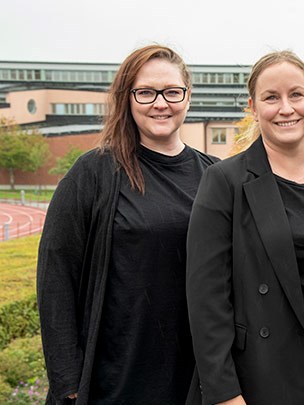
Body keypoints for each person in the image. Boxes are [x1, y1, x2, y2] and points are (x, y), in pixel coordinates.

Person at [37, 45, 218, 404]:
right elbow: (56, 277)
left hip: (194, 379)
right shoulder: (94, 172)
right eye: (146, 92)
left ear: (188, 96)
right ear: (128, 97)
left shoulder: (215, 175)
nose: (160, 103)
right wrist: (68, 382)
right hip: (114, 379)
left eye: (172, 91)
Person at [185, 50, 304, 405]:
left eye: (296, 94)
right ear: (253, 107)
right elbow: (207, 299)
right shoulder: (225, 181)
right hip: (260, 376)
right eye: (271, 97)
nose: (286, 108)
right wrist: (225, 393)